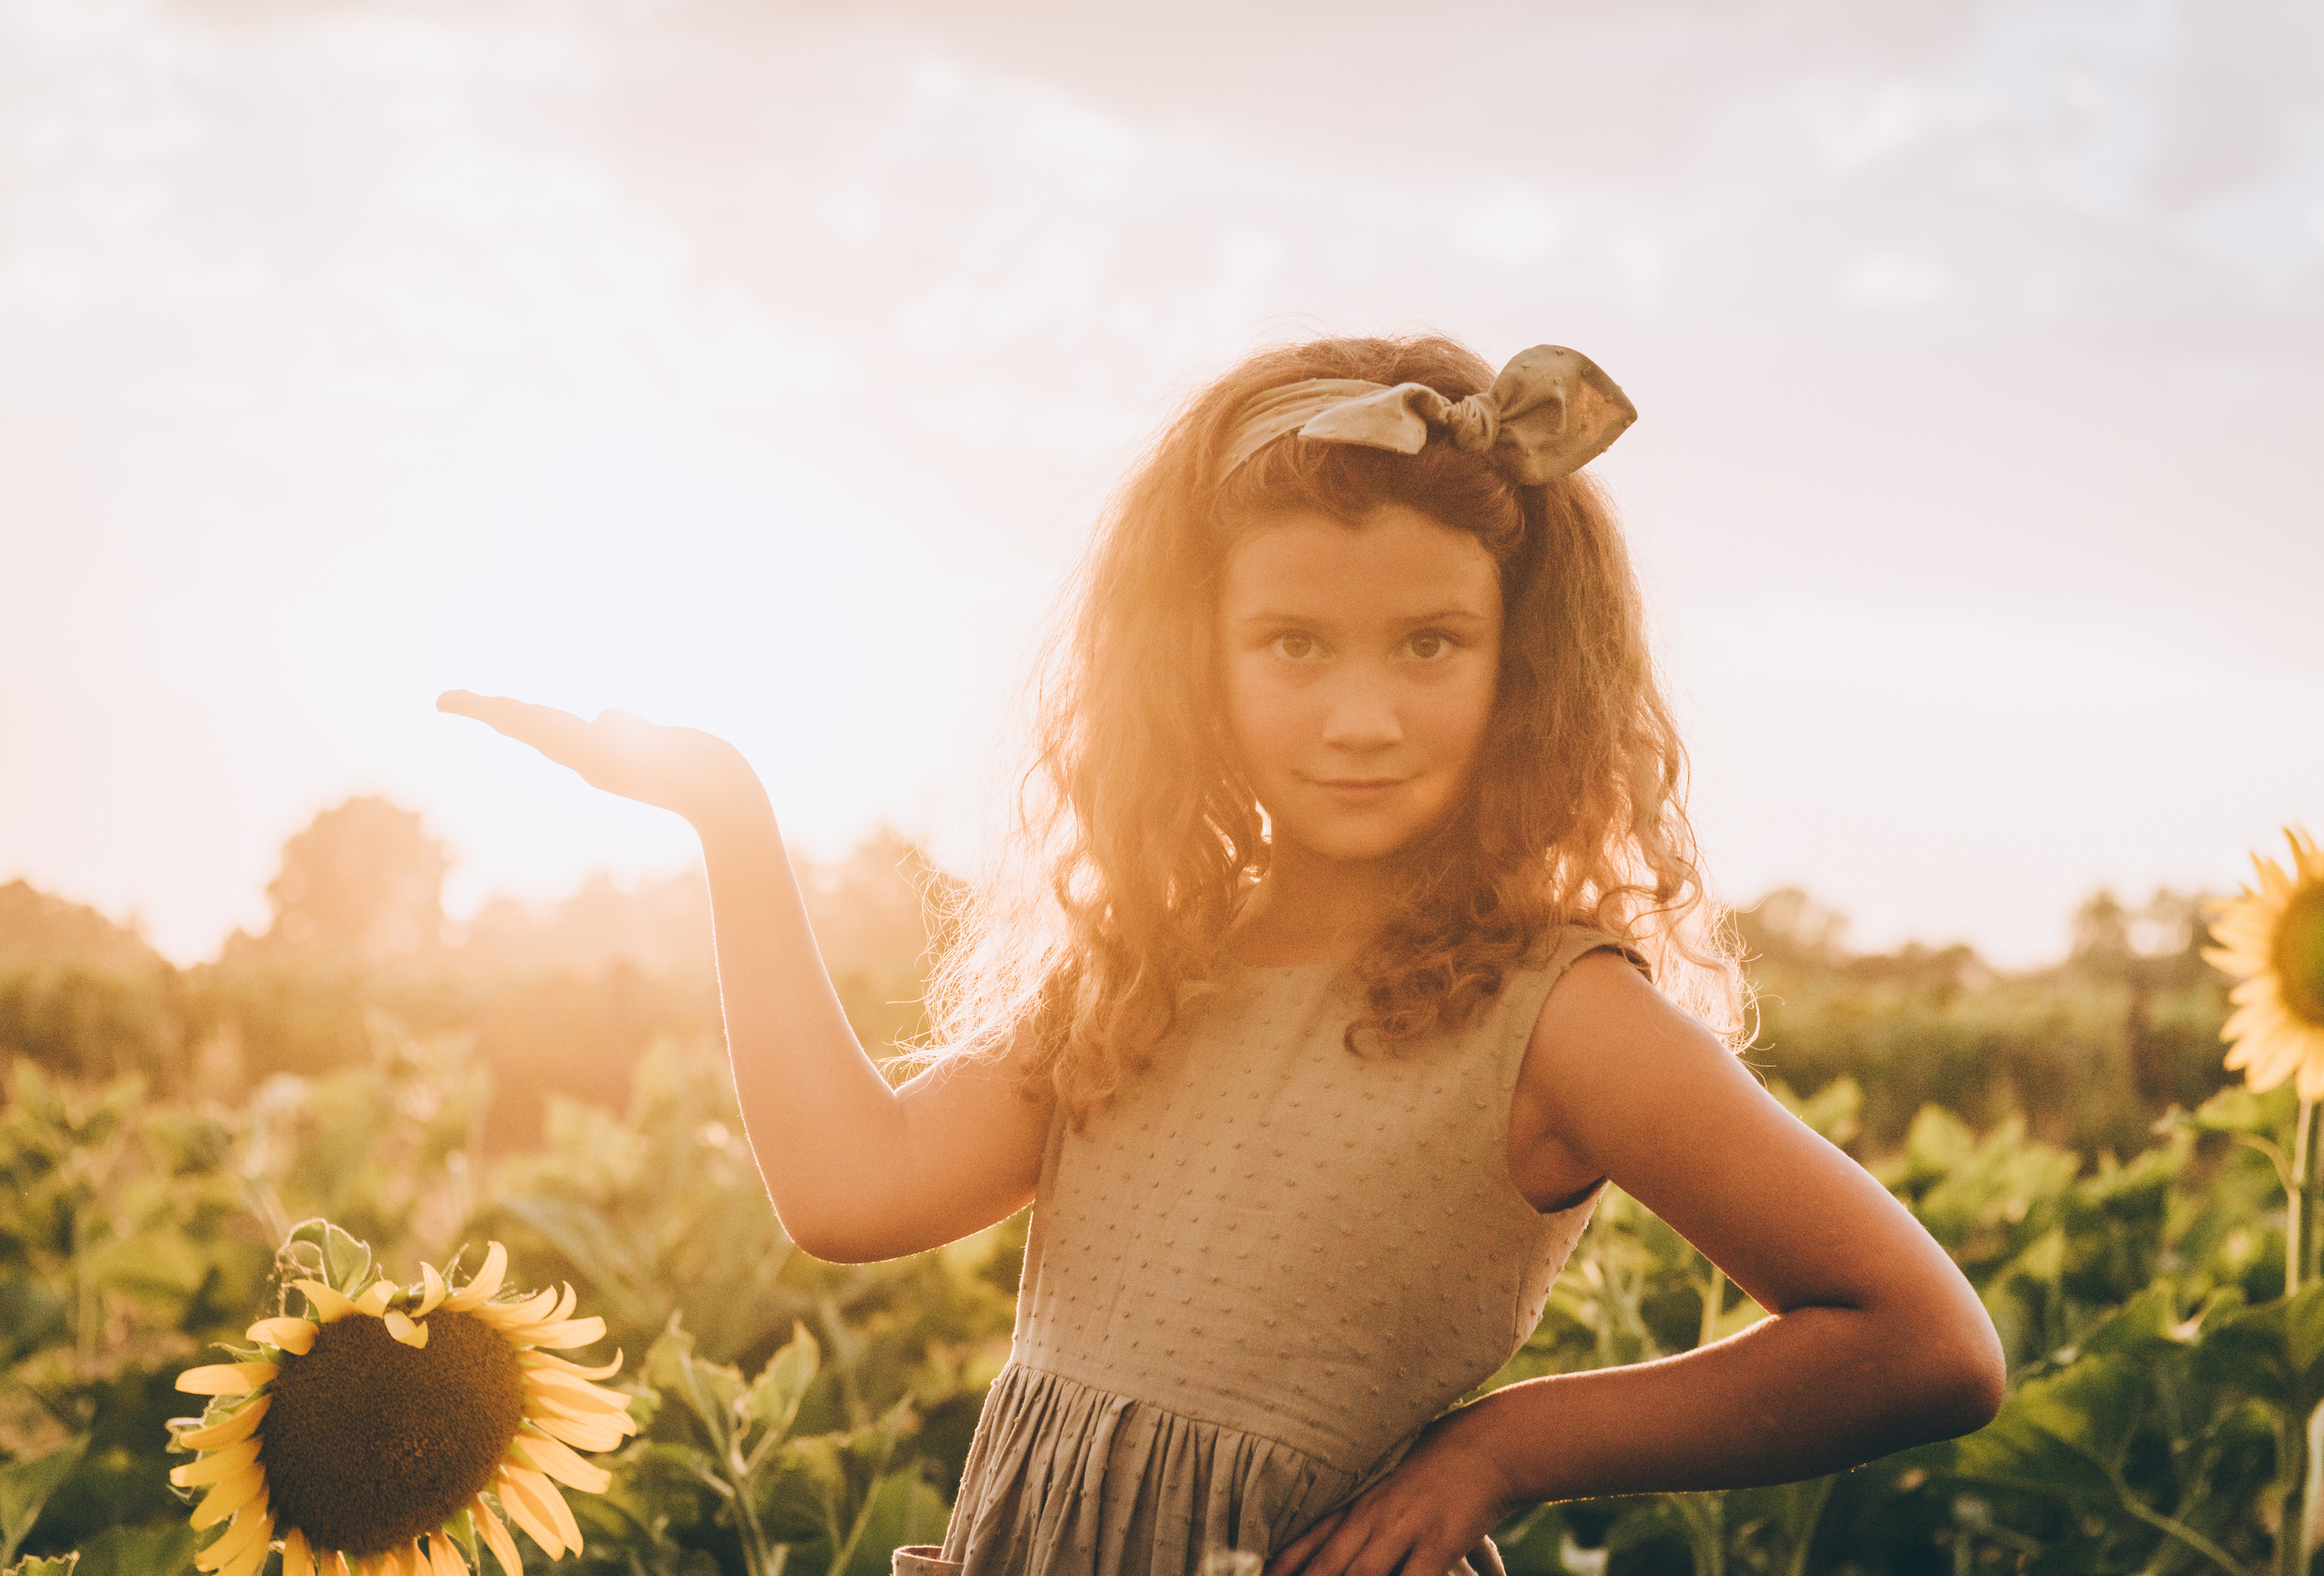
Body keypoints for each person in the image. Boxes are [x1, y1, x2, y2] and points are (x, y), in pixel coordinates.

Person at [439, 334, 2004, 1576]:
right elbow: (853, 1193)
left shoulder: (1560, 1015)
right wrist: (730, 817)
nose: (1363, 713)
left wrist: (1505, 1446)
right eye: (1294, 643)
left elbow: (1921, 1339)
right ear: (1197, 662)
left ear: (1523, 663)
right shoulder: (1148, 965)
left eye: (1431, 642)